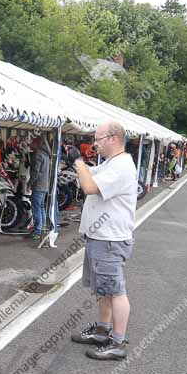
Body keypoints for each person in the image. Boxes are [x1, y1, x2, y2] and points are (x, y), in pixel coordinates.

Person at [66, 121, 137, 360]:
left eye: (98, 139)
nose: (94, 143)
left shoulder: (121, 166)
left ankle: (117, 342)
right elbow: (89, 174)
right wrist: (78, 164)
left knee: (115, 291)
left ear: (113, 138)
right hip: (101, 237)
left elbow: (88, 185)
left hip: (109, 239)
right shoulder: (111, 163)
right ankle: (102, 330)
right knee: (104, 290)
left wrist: (77, 161)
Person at [29, 135, 52, 241]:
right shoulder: (46, 155)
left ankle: (37, 231)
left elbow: (35, 171)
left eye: (32, 142)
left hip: (38, 185)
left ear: (37, 144)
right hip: (45, 185)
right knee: (41, 207)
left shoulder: (38, 155)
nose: (30, 144)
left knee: (36, 208)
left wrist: (30, 183)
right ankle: (42, 229)